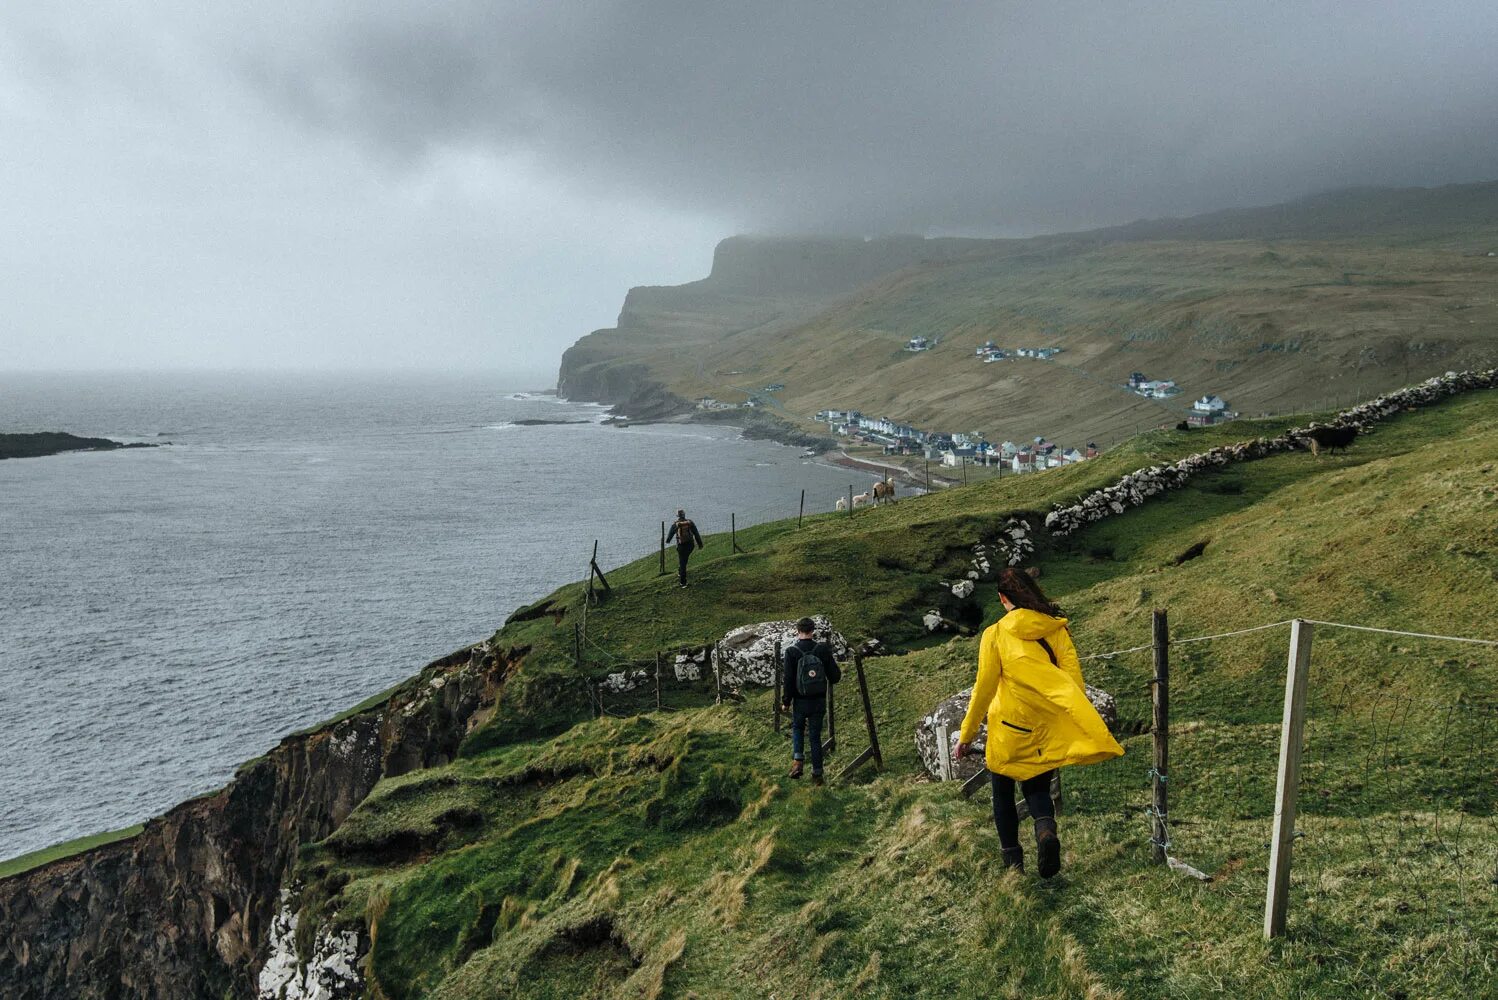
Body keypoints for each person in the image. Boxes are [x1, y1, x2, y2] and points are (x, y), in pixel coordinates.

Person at [954, 568, 1123, 877]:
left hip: (1007, 729)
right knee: (1038, 790)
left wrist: (966, 734)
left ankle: (1013, 867)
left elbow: (984, 689)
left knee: (1002, 795)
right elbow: (1073, 684)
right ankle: (1045, 831)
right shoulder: (1055, 630)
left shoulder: (995, 634)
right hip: (1043, 727)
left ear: (1004, 598)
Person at [781, 617, 841, 785]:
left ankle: (798, 761)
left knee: (798, 728)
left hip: (800, 701)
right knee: (815, 737)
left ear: (797, 631)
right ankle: (817, 775)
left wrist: (786, 701)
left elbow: (788, 679)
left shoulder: (791, 652)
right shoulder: (822, 650)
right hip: (819, 702)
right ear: (813, 631)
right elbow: (835, 677)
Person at [664, 509, 705, 587]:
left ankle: (683, 583)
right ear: (684, 515)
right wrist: (700, 544)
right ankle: (680, 571)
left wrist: (668, 541)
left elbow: (669, 536)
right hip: (690, 545)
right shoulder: (690, 523)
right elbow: (696, 533)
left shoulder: (676, 524)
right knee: (684, 560)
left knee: (682, 563)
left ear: (677, 516)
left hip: (681, 546)